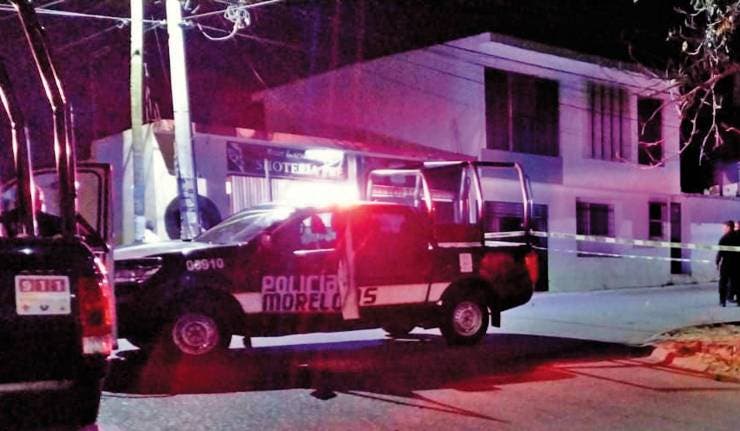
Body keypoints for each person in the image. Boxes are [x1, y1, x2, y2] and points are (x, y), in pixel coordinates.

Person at [716, 220, 735, 307]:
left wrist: (717, 262)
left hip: (726, 263)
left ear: (729, 227)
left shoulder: (724, 238)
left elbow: (720, 252)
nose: (723, 229)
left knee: (723, 282)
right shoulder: (738, 237)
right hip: (737, 263)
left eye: (724, 227)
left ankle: (722, 301)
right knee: (736, 281)